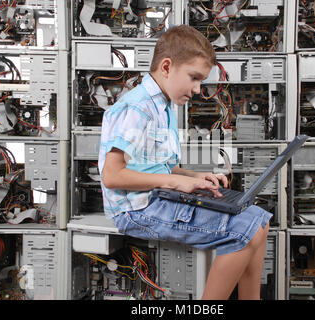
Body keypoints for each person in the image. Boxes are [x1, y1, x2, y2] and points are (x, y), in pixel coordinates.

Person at [98, 25, 272, 300]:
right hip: (135, 209)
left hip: (156, 197)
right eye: (194, 78)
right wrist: (176, 181)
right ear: (166, 67)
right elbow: (112, 175)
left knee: (260, 222)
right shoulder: (138, 107)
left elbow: (161, 166)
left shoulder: (163, 106)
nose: (197, 89)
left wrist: (194, 177)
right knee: (244, 231)